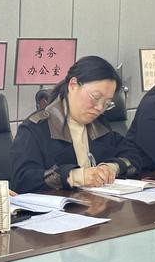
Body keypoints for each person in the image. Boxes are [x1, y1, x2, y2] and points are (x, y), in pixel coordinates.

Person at [10, 56, 141, 194]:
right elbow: (22, 180)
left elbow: (134, 156)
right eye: (95, 98)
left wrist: (113, 167)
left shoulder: (99, 124)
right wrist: (74, 177)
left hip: (98, 203)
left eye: (107, 103)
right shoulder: (35, 128)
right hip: (62, 206)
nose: (99, 108)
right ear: (73, 85)